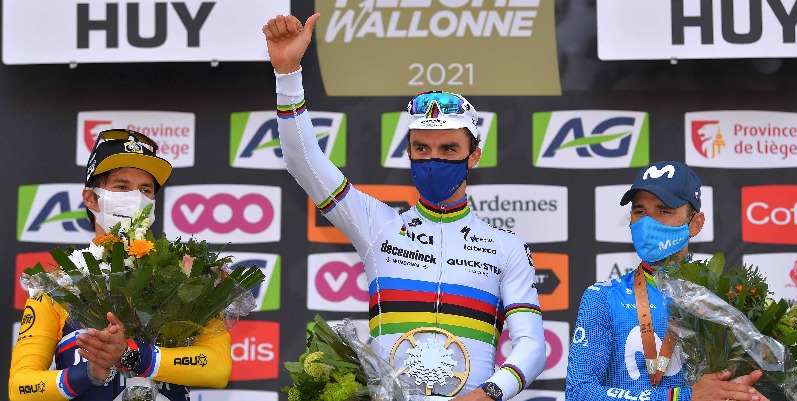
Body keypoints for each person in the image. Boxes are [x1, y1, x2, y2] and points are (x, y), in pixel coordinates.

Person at [263, 12, 546, 401]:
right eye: (421, 148)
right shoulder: (378, 226)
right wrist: (287, 73)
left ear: (474, 156)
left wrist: (487, 395)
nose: (433, 159)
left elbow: (532, 345)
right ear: (409, 152)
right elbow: (303, 161)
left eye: (449, 149)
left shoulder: (506, 246)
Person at [9, 129, 232, 401]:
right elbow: (20, 387)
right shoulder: (58, 285)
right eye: (121, 187)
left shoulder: (187, 276)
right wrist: (89, 373)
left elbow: (218, 368)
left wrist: (131, 354)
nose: (136, 197)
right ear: (91, 199)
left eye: (145, 190)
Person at [566, 161, 770, 401]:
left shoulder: (728, 299)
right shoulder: (603, 297)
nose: (647, 223)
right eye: (639, 211)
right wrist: (682, 398)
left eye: (663, 211)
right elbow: (579, 393)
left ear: (695, 223)